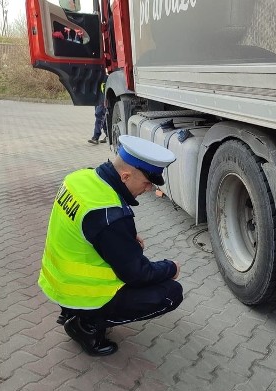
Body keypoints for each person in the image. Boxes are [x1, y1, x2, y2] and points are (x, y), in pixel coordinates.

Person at [38, 135, 182, 356]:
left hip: (59, 281)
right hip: (80, 293)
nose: (149, 189)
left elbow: (86, 229)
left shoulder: (79, 178)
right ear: (125, 176)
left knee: (133, 254)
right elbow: (137, 274)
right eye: (146, 183)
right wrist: (170, 267)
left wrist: (124, 237)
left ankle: (73, 312)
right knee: (171, 293)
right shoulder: (110, 216)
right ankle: (86, 326)